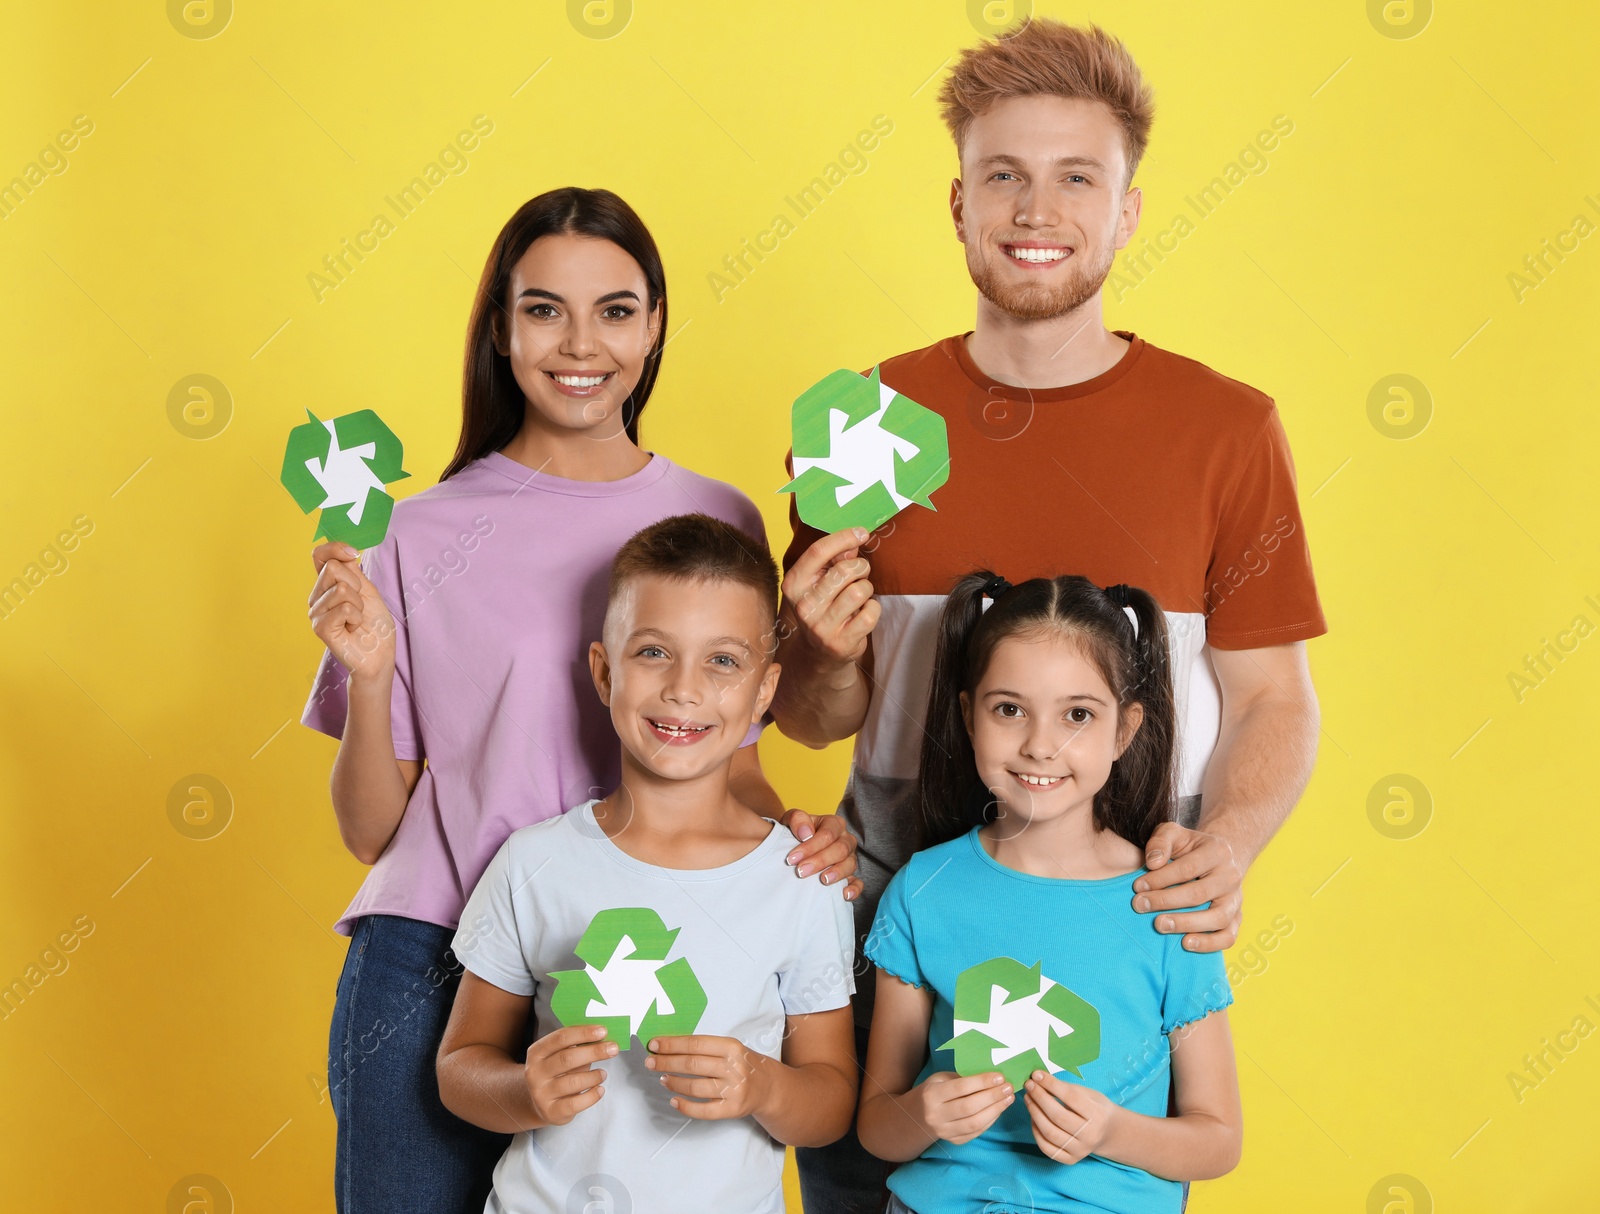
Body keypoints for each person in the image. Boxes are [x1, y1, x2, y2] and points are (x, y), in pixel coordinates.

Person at [774, 20, 1323, 1210]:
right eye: (1004, 174)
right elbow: (819, 721)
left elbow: (1274, 694)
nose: (1038, 207)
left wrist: (1222, 845)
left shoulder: (1225, 431)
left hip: (1112, 925)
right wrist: (814, 649)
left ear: (1126, 210)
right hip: (890, 917)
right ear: (958, 202)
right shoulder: (859, 422)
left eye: (1078, 175)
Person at [299, 189, 859, 1214]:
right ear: (502, 329)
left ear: (653, 325)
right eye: (545, 308)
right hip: (432, 953)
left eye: (615, 308)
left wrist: (800, 839)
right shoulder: (412, 531)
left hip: (643, 953)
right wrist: (370, 677)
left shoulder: (715, 510)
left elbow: (725, 756)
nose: (580, 342)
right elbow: (374, 828)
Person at [436, 513, 858, 1214]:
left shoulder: (801, 879)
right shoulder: (533, 863)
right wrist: (522, 1091)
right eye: (654, 652)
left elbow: (832, 1099)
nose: (683, 690)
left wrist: (763, 1086)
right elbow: (459, 1068)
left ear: (763, 691)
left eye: (722, 660)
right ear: (604, 671)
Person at [856, 572, 1241, 1214]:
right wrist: (922, 1115)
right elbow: (877, 1128)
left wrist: (1114, 1131)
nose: (1040, 744)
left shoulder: (1171, 904)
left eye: (1078, 715)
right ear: (966, 715)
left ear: (1124, 731)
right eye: (1009, 709)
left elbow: (1219, 1141)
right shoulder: (922, 890)